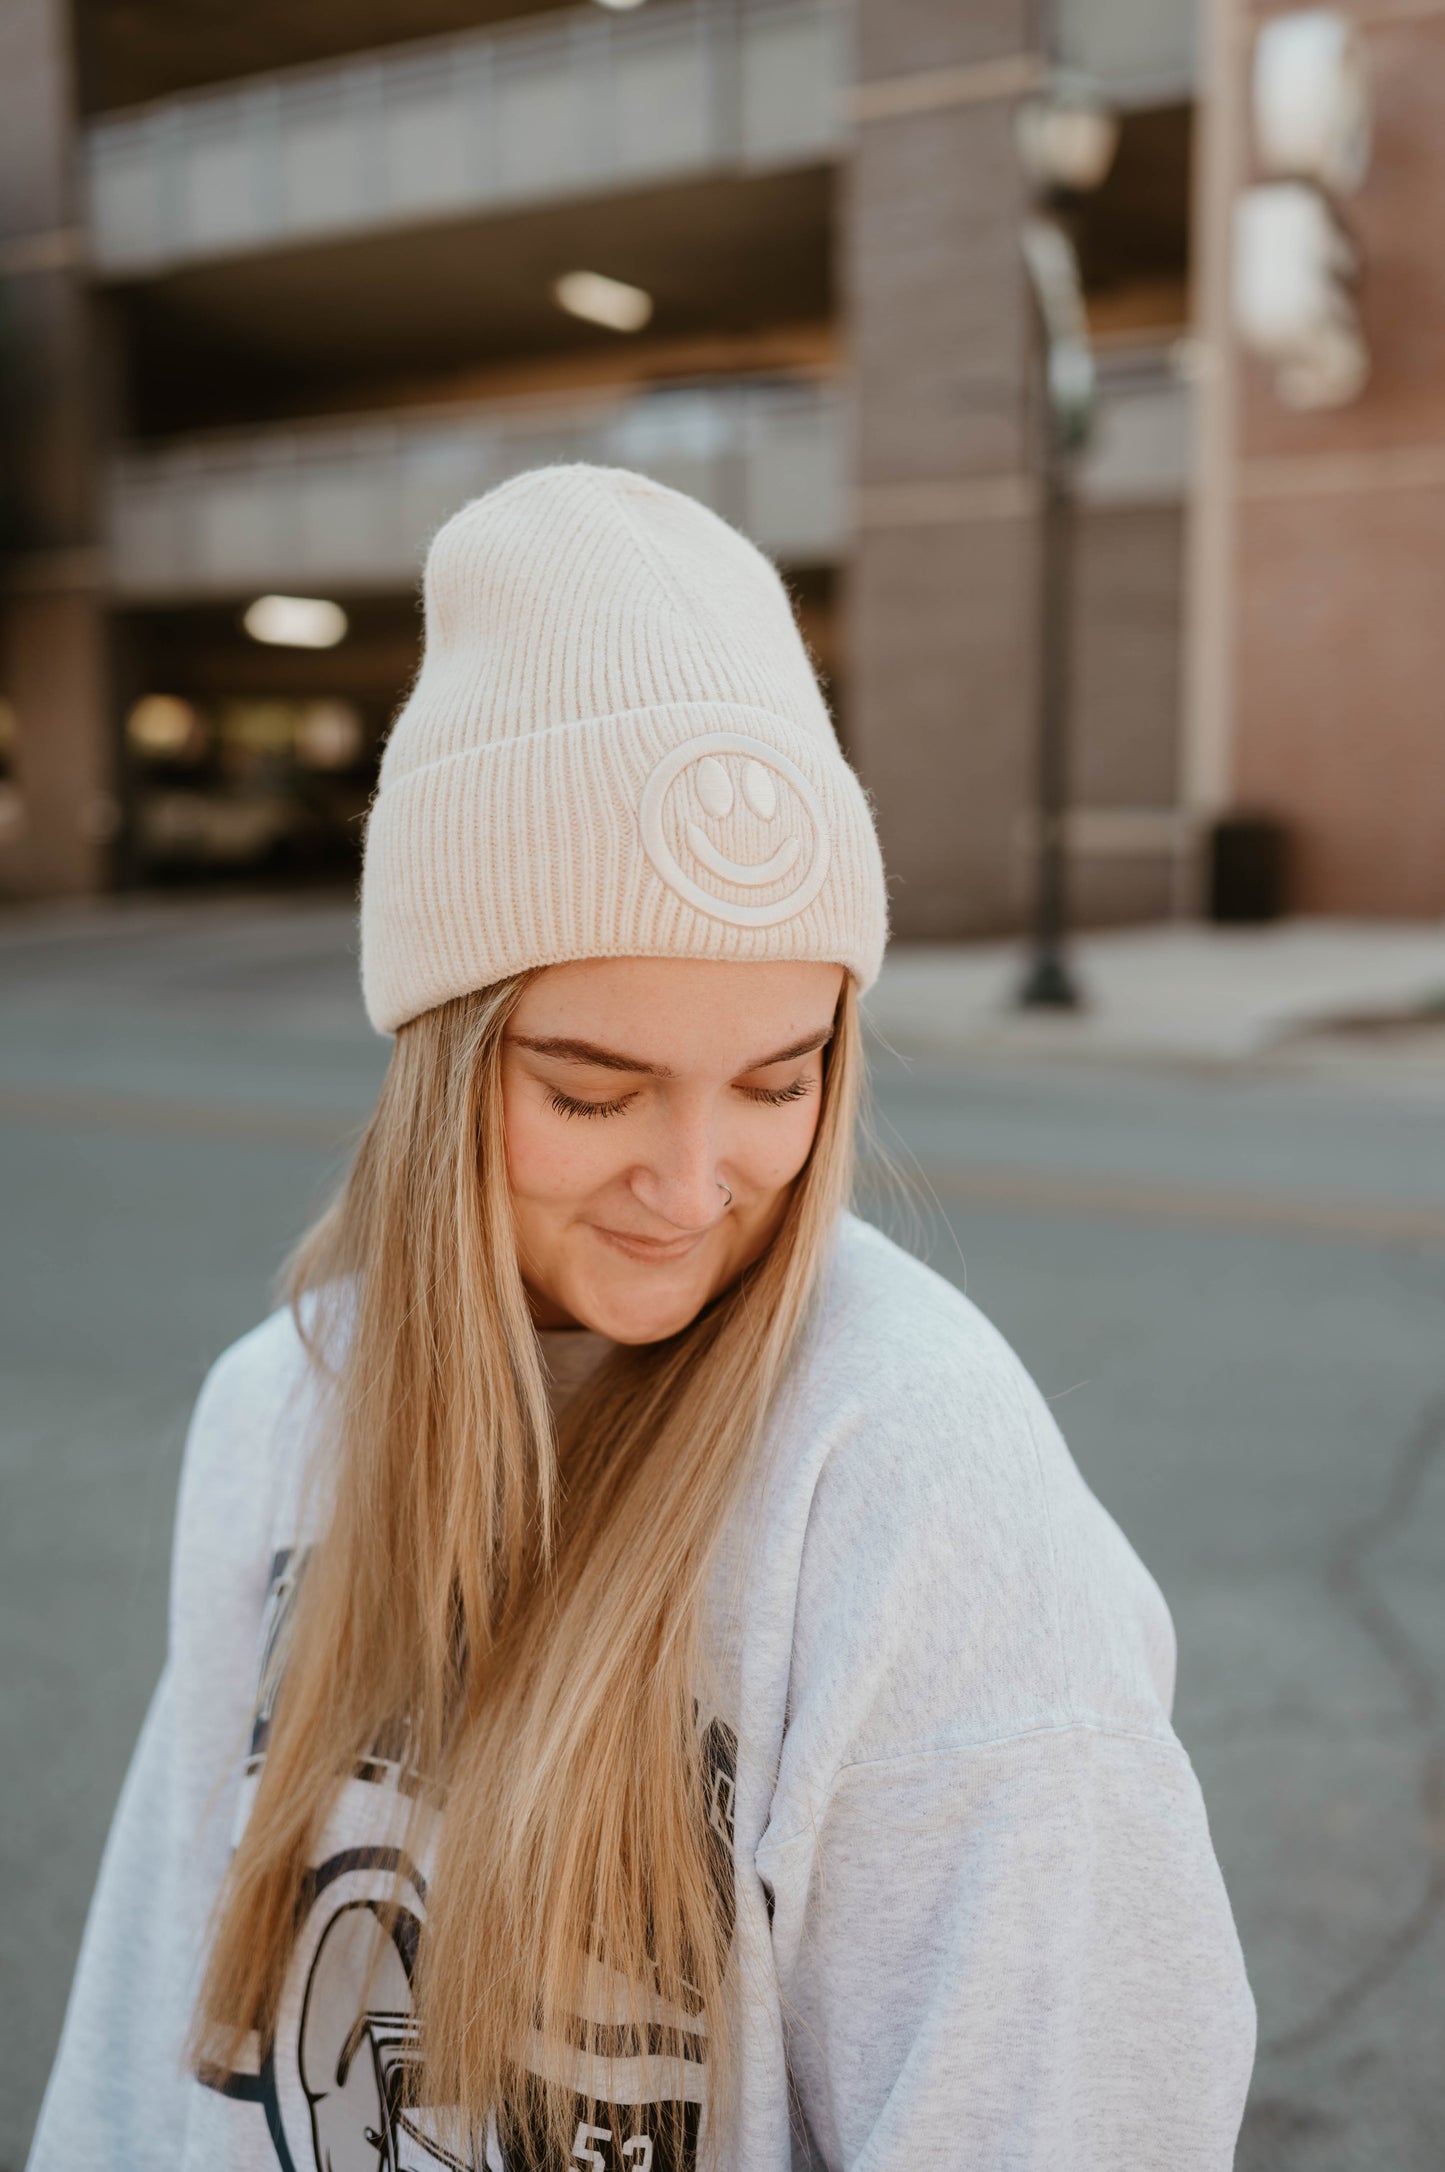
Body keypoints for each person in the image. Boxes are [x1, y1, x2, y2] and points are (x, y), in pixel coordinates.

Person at [29, 466, 1255, 2172]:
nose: (694, 1183)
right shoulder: (282, 1404)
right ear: (442, 1061)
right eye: (594, 1092)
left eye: (779, 1080)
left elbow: (1063, 2101)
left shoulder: (907, 1462)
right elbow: (155, 2007)